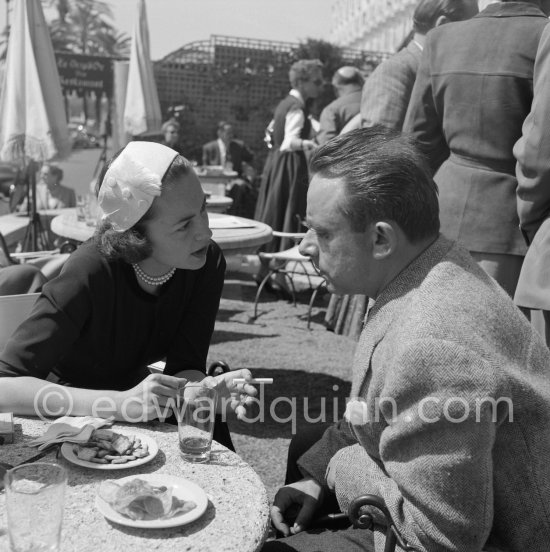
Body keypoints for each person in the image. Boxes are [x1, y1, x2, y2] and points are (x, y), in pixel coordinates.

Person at [264, 127, 550, 552]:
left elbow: (442, 538)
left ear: (381, 238)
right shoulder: (430, 265)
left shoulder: (433, 344)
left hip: (503, 539)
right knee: (309, 446)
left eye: (323, 233)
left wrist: (340, 467)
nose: (305, 246)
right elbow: (378, 403)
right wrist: (316, 471)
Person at [0, 142, 255, 444]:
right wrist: (119, 404)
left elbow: (186, 364)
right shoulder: (89, 269)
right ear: (136, 235)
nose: (205, 232)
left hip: (143, 409)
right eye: (184, 225)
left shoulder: (206, 262)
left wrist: (203, 389)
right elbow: (5, 385)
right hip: (69, 419)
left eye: (203, 208)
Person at [326, 0, 479, 339]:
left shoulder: (423, 65)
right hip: (391, 221)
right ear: (442, 22)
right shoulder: (399, 69)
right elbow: (377, 154)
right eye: (471, 23)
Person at [404, 0, 550, 297]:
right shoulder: (543, 35)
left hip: (441, 209)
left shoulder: (441, 38)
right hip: (512, 222)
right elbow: (541, 153)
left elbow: (417, 143)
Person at [254, 59, 324, 252]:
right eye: (316, 82)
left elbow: (270, 134)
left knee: (278, 208)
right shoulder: (296, 107)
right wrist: (310, 144)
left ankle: (271, 257)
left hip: (278, 163)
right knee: (287, 208)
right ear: (302, 82)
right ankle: (280, 257)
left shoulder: (286, 103)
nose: (320, 86)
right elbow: (289, 142)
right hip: (289, 166)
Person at [202, 121, 257, 218]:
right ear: (219, 133)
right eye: (228, 133)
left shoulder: (238, 146)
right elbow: (205, 167)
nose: (231, 135)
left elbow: (251, 158)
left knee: (239, 185)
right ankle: (211, 214)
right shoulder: (209, 148)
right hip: (214, 181)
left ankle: (230, 214)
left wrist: (247, 168)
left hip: (233, 180)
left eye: (232, 133)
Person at [315, 66, 363, 145]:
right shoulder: (375, 103)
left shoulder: (331, 110)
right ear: (360, 82)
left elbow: (326, 147)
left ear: (336, 87)